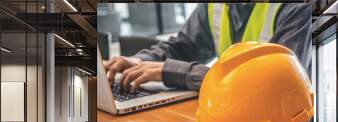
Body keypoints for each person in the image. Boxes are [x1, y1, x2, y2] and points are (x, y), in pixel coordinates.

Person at [104, 3, 312, 92]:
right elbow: (184, 46)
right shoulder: (214, 5)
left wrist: (174, 72)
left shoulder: (296, 8)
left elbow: (273, 87)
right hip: (228, 118)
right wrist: (142, 60)